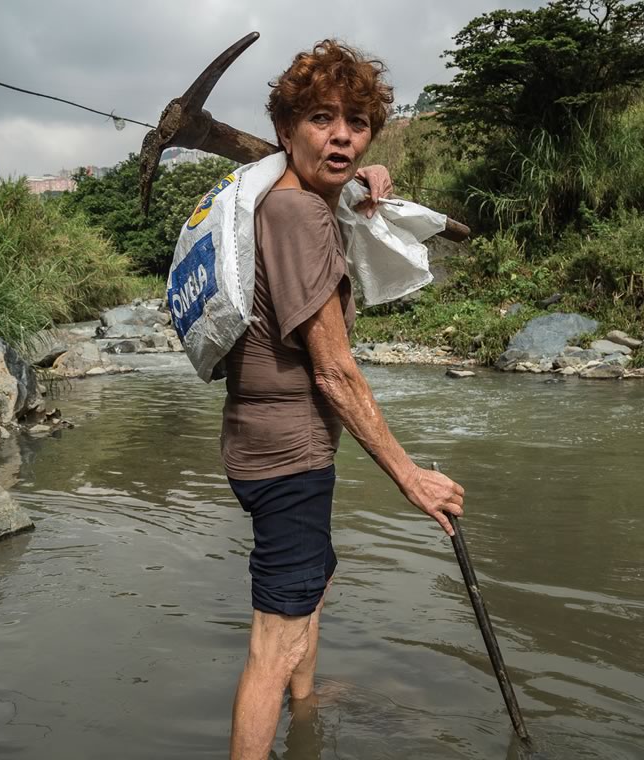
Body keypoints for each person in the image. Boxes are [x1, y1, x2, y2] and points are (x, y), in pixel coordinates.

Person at [223, 39, 466, 759]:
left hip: (261, 444)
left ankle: (306, 716)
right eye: (322, 118)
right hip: (287, 456)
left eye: (357, 123)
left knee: (310, 585)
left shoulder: (289, 200)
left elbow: (337, 199)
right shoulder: (297, 217)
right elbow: (335, 373)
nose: (341, 135)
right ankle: (278, 711)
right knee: (275, 640)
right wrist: (410, 477)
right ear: (284, 129)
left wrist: (358, 182)